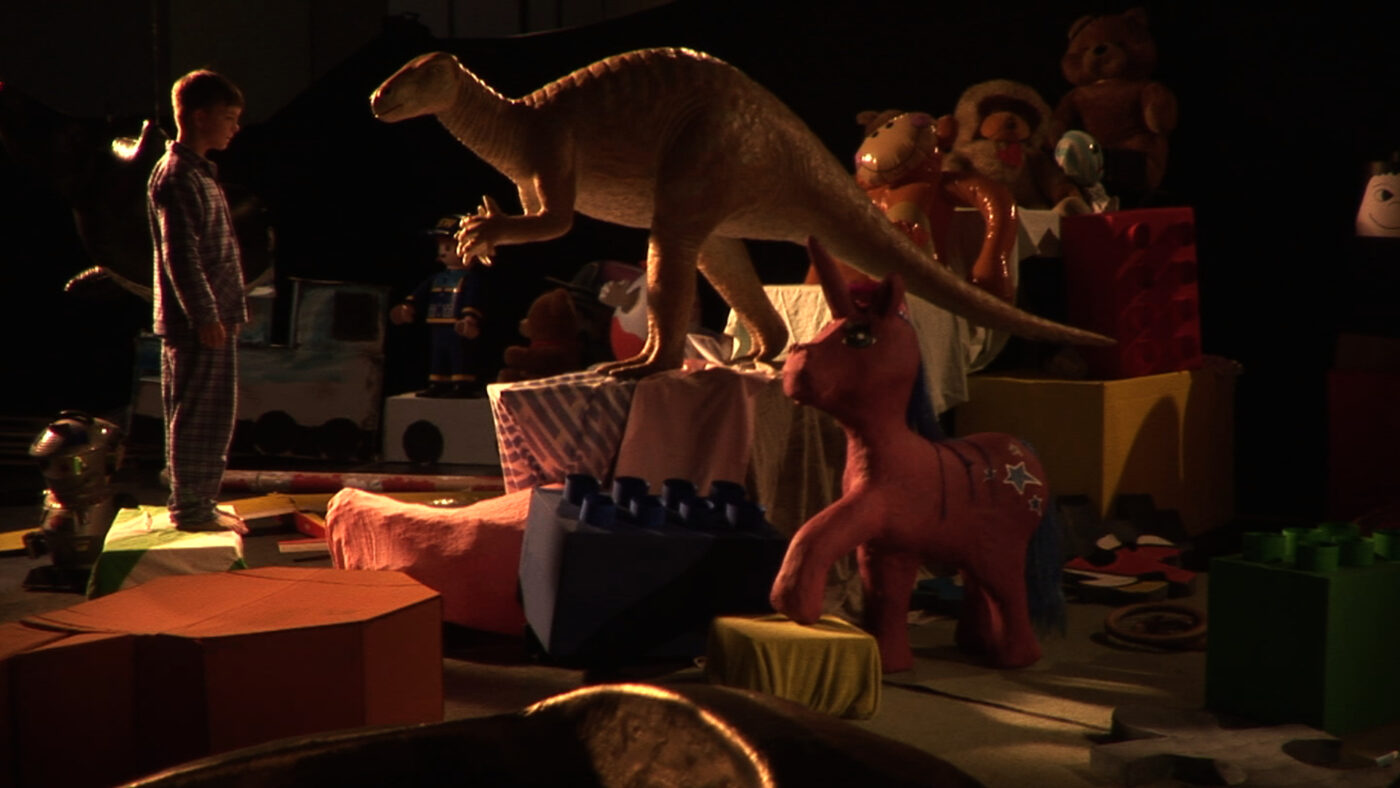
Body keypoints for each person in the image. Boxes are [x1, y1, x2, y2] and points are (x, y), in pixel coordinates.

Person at [147, 69, 249, 534]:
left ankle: (199, 501)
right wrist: (205, 315)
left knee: (211, 414)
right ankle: (191, 508)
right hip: (198, 323)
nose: (235, 127)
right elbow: (181, 256)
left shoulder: (197, 172)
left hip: (215, 318)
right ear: (200, 116)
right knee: (198, 417)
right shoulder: (178, 176)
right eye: (228, 117)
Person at [390, 216, 487, 397]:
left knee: (459, 354)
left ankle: (462, 384)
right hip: (437, 323)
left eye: (448, 247)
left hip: (457, 326)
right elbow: (420, 295)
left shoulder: (470, 279)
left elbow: (472, 299)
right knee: (438, 354)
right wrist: (408, 307)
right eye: (441, 247)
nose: (443, 252)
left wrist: (469, 318)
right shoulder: (437, 278)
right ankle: (438, 382)